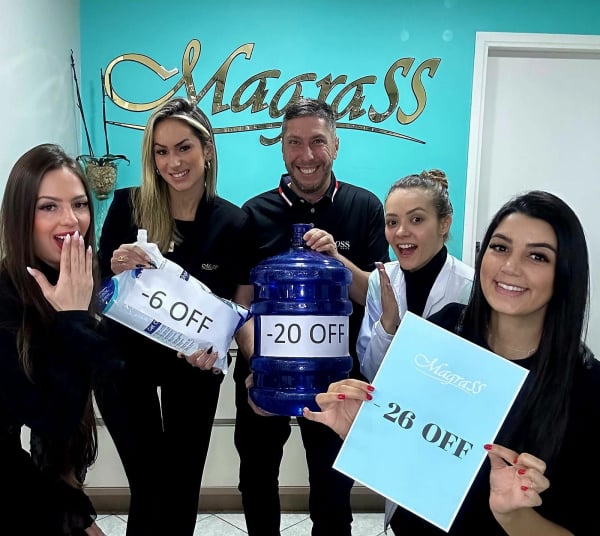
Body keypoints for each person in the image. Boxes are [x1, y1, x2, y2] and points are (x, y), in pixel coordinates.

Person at [304, 190, 600, 535]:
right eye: (500, 247)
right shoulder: (445, 330)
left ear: (565, 272)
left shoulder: (586, 387)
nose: (510, 267)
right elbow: (413, 457)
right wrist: (365, 432)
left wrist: (513, 516)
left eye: (537, 256)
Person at [93, 97, 255, 536]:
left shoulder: (235, 223)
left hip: (194, 368)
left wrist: (221, 353)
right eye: (161, 151)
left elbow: (239, 311)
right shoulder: (128, 207)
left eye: (183, 148)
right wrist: (114, 267)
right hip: (123, 363)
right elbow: (98, 292)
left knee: (182, 487)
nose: (173, 162)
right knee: (150, 487)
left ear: (207, 150)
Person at [234, 97, 390, 536]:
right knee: (257, 478)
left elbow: (376, 297)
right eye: (294, 142)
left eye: (318, 141)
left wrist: (337, 260)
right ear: (282, 147)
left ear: (335, 145)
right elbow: (242, 304)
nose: (307, 155)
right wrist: (259, 366)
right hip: (264, 374)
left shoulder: (364, 207)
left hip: (336, 379)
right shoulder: (254, 213)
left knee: (332, 489)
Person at [0, 143, 108, 535]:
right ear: (20, 216)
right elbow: (53, 418)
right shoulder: (6, 296)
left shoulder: (66, 279)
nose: (71, 220)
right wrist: (73, 319)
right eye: (48, 207)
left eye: (79, 204)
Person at [357, 169, 474, 381]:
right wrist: (388, 324)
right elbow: (370, 372)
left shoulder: (470, 287)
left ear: (444, 223)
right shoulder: (380, 280)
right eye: (392, 222)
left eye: (416, 219)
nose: (401, 232)